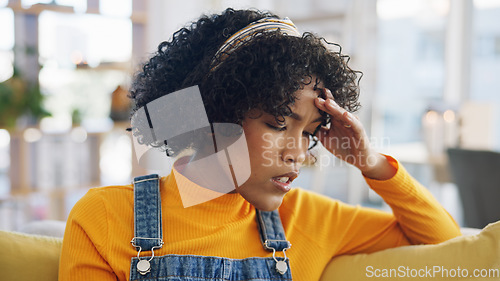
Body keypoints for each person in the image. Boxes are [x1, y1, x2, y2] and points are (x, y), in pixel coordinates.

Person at [58, 8, 461, 281]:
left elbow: (447, 242)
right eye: (277, 123)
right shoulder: (105, 217)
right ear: (215, 116)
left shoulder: (306, 219)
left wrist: (370, 162)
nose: (298, 154)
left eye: (310, 133)